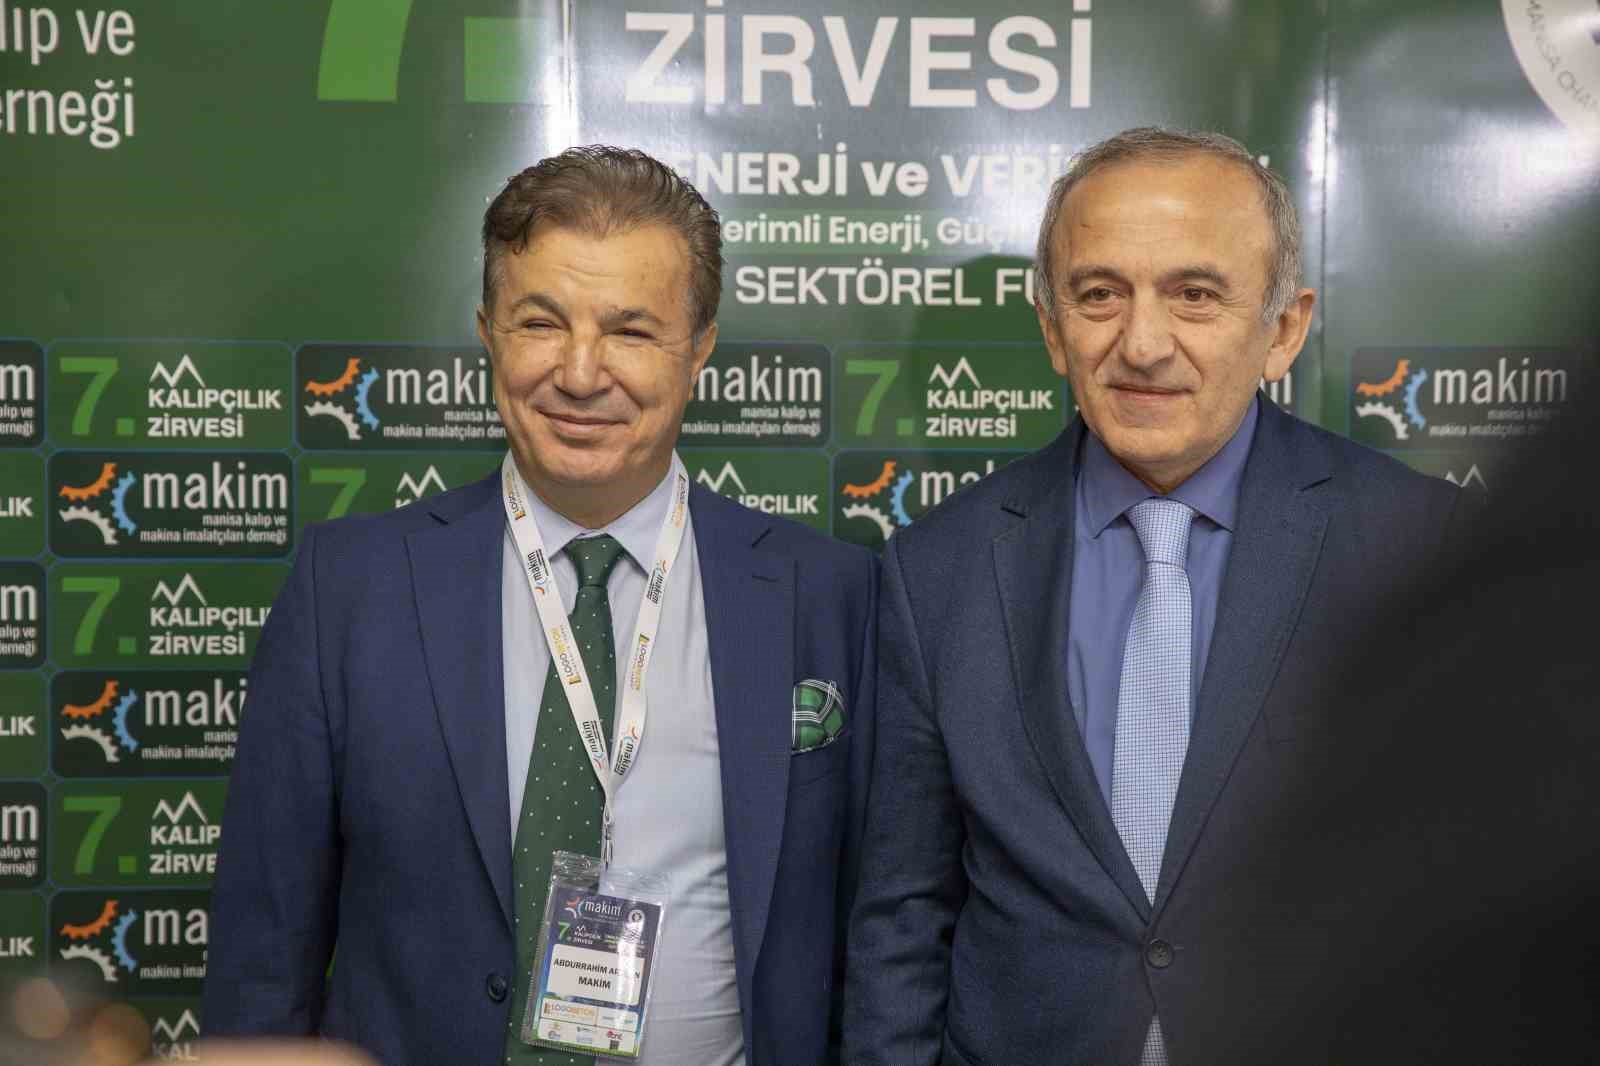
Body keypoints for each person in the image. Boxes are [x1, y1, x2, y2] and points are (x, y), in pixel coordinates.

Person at [203, 147, 876, 1066]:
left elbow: (883, 936)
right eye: (540, 322)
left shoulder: (827, 594)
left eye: (631, 331)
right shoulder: (350, 588)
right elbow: (263, 946)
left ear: (699, 349)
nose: (581, 372)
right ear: (488, 332)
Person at [841, 127, 1470, 1065]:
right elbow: (902, 914)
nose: (1141, 343)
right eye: (1100, 294)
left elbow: (1470, 896)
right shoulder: (938, 568)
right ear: (1052, 329)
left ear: (1284, 330)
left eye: (1195, 295)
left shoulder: (1418, 547)